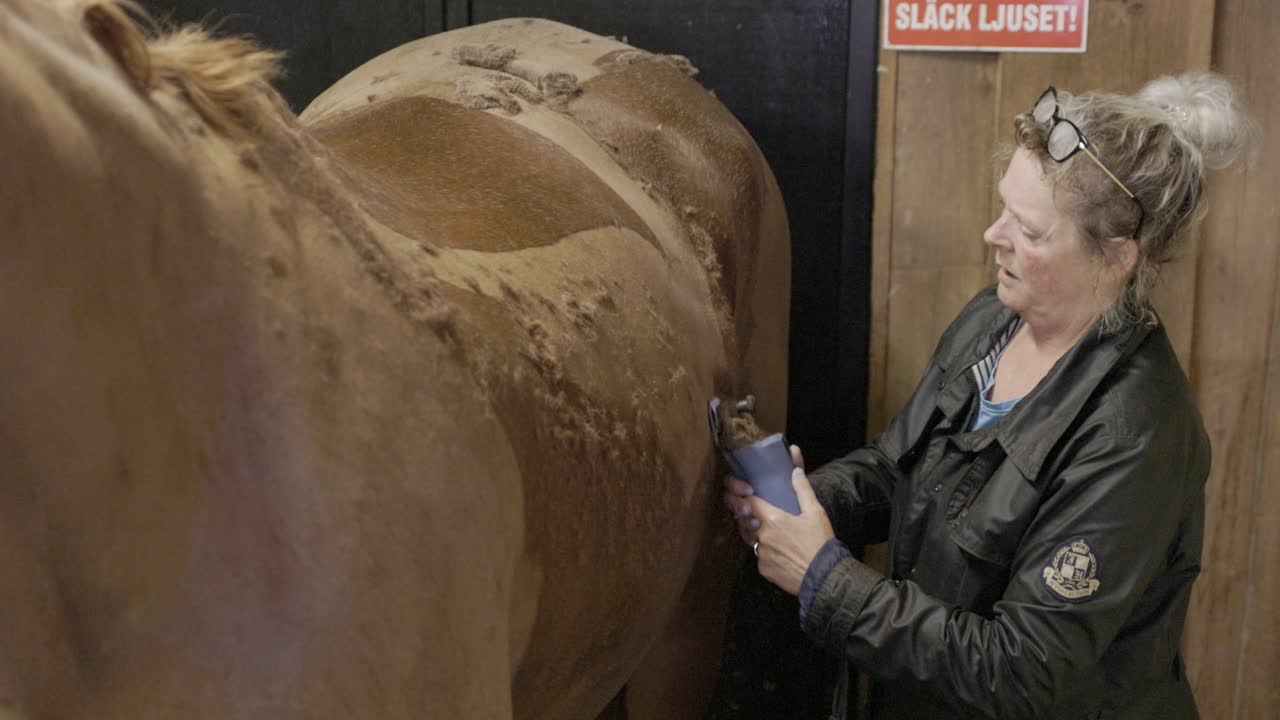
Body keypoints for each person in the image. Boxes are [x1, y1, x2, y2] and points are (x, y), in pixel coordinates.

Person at [723, 73, 1252, 719]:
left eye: (1029, 231)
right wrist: (804, 505)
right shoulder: (995, 318)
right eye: (1004, 208)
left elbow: (1021, 671)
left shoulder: (1134, 435)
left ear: (1118, 257)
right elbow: (899, 470)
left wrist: (823, 578)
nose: (992, 236)